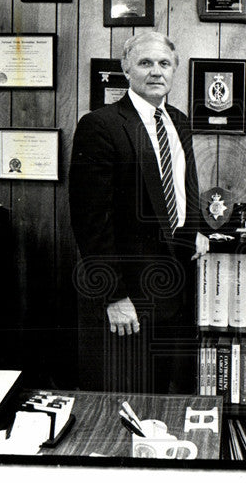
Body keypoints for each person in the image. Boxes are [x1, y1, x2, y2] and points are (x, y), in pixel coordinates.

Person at [69, 31, 208, 394]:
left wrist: (196, 229)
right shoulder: (100, 125)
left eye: (164, 63)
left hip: (178, 284)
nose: (156, 71)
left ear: (175, 70)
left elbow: (183, 186)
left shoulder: (178, 121)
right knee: (130, 393)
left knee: (169, 391)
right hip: (130, 294)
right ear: (126, 70)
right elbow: (89, 220)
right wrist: (113, 295)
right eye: (145, 63)